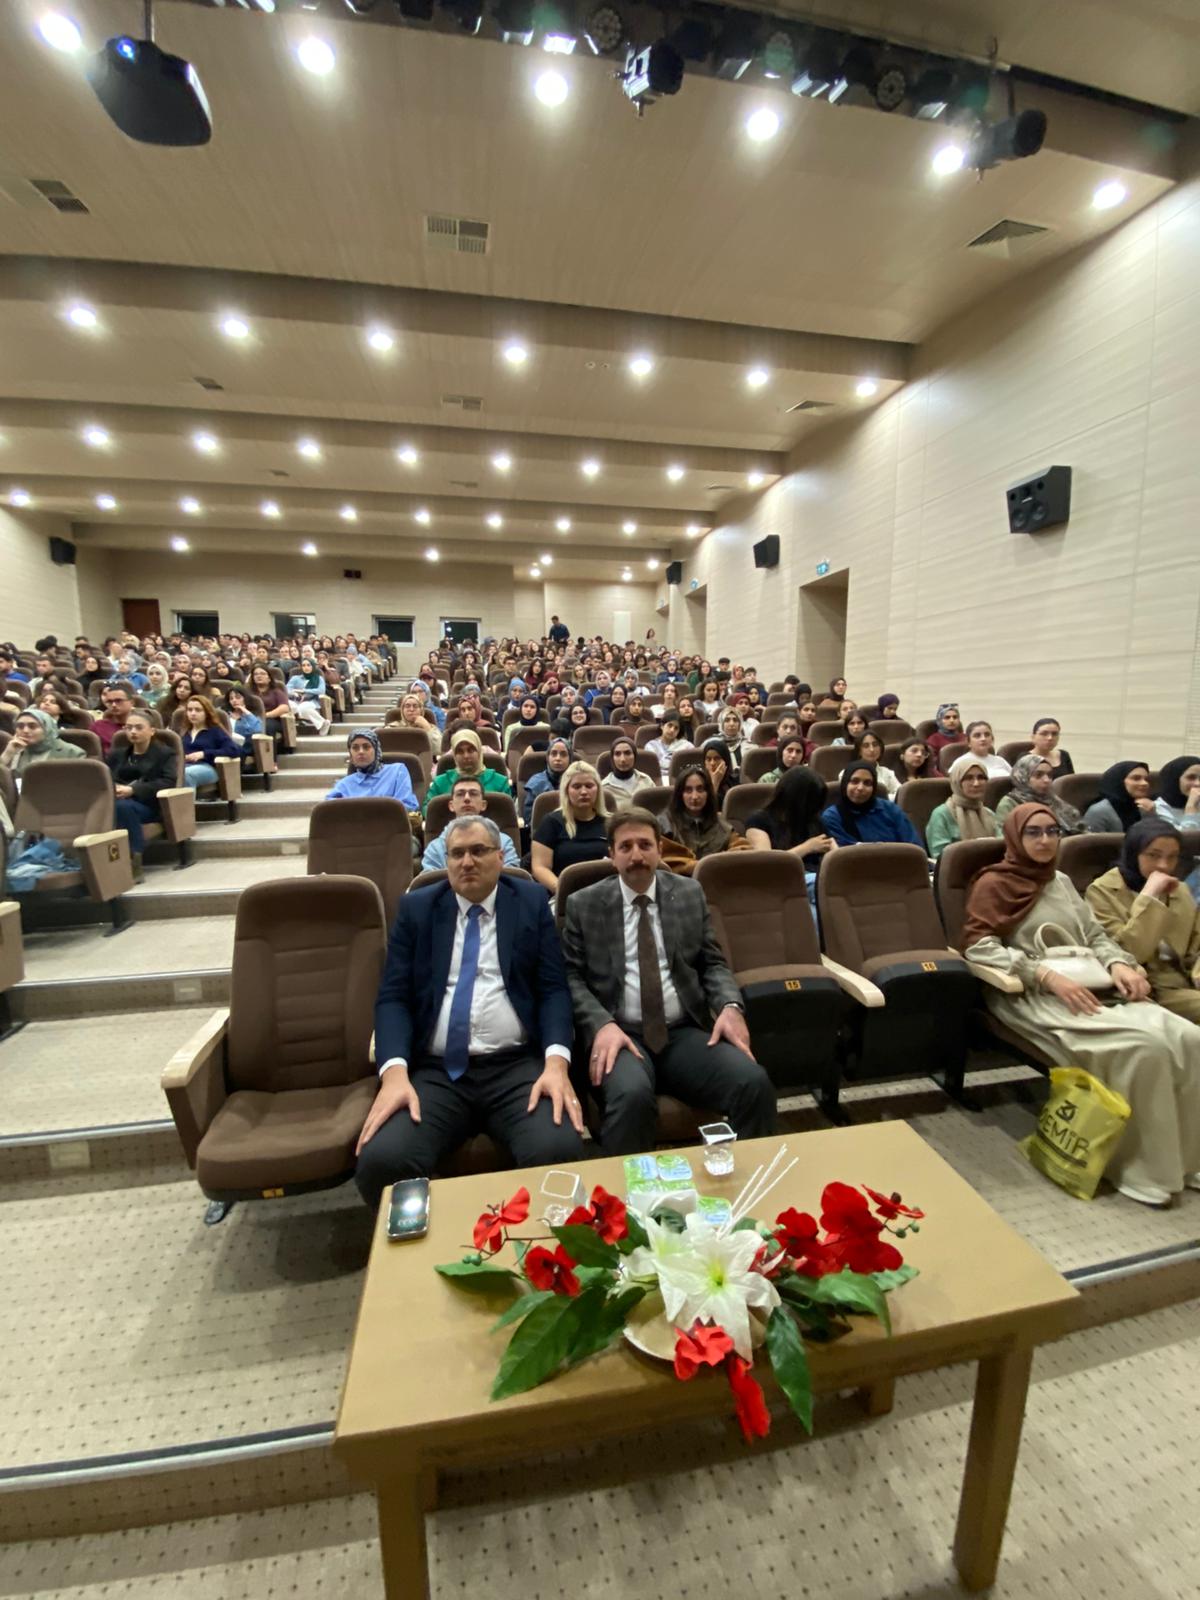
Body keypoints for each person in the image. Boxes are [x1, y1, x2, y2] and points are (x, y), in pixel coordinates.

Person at [963, 802, 1200, 1206]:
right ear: (1014, 837)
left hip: (1094, 984)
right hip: (1031, 995)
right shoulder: (993, 883)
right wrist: (1043, 974)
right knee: (1143, 1048)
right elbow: (978, 946)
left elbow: (1094, 936)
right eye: (1033, 832)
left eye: (1052, 831)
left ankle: (1188, 1158)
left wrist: (1119, 963)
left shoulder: (1060, 881)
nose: (1044, 840)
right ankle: (1140, 1167)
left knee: (1189, 1037)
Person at [354, 815, 584, 1209]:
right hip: (437, 1072)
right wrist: (394, 1074)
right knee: (383, 1160)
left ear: (500, 856)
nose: (467, 862)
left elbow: (553, 991)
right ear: (445, 861)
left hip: (516, 1068)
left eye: (478, 851)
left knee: (558, 1150)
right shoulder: (417, 909)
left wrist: (556, 1065)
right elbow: (394, 998)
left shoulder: (530, 902)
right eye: (457, 853)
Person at [560, 807, 776, 1155]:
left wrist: (729, 1006)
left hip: (681, 1032)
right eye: (625, 847)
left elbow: (712, 963)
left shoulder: (688, 893)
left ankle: (751, 1178)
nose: (636, 855)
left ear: (660, 849)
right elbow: (571, 977)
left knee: (753, 1083)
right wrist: (601, 1025)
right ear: (611, 855)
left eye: (645, 845)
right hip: (621, 1034)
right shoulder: (584, 904)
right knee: (631, 1096)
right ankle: (628, 1189)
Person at [1086, 820, 1200, 1024]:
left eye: (1172, 857)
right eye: (1153, 856)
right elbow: (1127, 953)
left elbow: (1197, 945)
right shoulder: (1101, 891)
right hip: (1146, 987)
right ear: (1133, 853)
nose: (1164, 865)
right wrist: (1149, 896)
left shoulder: (1179, 889)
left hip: (1186, 981)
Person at [744, 767, 836, 903]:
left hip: (816, 882)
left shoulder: (813, 820)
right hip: (784, 882)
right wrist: (807, 847)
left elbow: (836, 854)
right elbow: (766, 865)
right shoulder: (759, 821)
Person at [107, 708, 176, 864]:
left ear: (152, 731)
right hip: (116, 799)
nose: (133, 732)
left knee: (123, 807)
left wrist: (133, 790)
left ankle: (134, 857)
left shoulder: (164, 754)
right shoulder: (117, 755)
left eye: (139, 728)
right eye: (129, 728)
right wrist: (115, 788)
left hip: (149, 804)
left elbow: (168, 782)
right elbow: (106, 779)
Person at [532, 761, 609, 893]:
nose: (583, 792)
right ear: (566, 791)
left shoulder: (611, 823)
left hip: (607, 893)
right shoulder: (551, 822)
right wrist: (562, 890)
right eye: (576, 786)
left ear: (598, 789)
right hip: (563, 893)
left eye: (589, 786)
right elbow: (540, 867)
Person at [659, 766, 750, 871]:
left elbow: (743, 849)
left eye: (700, 789)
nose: (695, 796)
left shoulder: (720, 824)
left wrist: (717, 863)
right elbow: (665, 859)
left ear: (708, 793)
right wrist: (708, 865)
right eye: (688, 790)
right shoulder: (664, 824)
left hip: (717, 878)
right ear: (680, 794)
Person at [422, 776, 520, 870]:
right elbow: (431, 880)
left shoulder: (503, 842)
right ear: (451, 806)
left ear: (483, 805)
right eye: (460, 794)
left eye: (473, 794)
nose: (467, 798)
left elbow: (512, 877)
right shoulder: (435, 848)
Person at [820, 762, 924, 848]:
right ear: (845, 784)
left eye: (867, 783)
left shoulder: (891, 810)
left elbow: (914, 846)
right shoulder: (832, 817)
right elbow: (843, 855)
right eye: (854, 781)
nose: (860, 788)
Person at [925, 754, 1003, 860]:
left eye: (981, 778)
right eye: (969, 778)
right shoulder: (941, 814)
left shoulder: (989, 813)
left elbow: (1003, 847)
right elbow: (940, 856)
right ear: (957, 782)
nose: (976, 783)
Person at [424, 728, 513, 812]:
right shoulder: (440, 783)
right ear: (454, 755)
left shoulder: (500, 782)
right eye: (460, 752)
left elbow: (508, 813)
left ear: (479, 752)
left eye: (471, 750)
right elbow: (427, 810)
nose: (466, 756)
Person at [325, 729, 418, 807]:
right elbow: (330, 810)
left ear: (376, 750)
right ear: (350, 754)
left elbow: (407, 806)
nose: (361, 752)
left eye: (366, 747)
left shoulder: (397, 771)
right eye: (355, 748)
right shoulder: (344, 785)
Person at [997, 752, 1083, 833]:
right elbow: (1007, 837)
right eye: (1038, 775)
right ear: (1023, 777)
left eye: (1049, 775)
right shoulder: (1009, 804)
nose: (1046, 780)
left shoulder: (1054, 800)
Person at [1154, 756, 1200, 898]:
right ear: (1174, 780)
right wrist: (1191, 808)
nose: (1198, 784)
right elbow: (1187, 843)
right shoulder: (1156, 809)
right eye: (1191, 778)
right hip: (1175, 869)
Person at [0, 708, 85, 777]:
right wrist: (7, 755)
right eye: (20, 726)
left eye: (32, 726)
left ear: (47, 728)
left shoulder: (73, 753)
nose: (25, 731)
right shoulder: (15, 750)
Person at [179, 696, 240, 788]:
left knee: (186, 774)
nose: (193, 713)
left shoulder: (215, 731)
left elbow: (233, 750)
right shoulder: (184, 732)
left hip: (207, 767)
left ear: (206, 713)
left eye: (198, 710)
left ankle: (187, 798)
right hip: (184, 765)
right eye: (190, 710)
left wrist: (204, 754)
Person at [1084, 761, 1155, 834]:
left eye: (1146, 779)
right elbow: (1092, 841)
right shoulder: (1099, 811)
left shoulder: (1146, 807)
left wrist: (1152, 814)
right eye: (1136, 778)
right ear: (1119, 781)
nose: (1145, 783)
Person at [522, 736, 571, 826]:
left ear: (570, 759)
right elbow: (529, 820)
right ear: (548, 757)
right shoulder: (536, 783)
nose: (558, 758)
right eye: (554, 754)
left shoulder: (577, 782)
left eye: (563, 754)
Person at [602, 736, 656, 811]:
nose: (623, 759)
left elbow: (656, 809)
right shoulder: (604, 788)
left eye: (627, 753)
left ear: (635, 756)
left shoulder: (646, 780)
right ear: (612, 758)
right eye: (617, 754)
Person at [285, 660, 331, 735]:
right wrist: (294, 693)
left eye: (308, 665)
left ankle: (293, 726)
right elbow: (287, 689)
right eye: (303, 665)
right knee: (288, 705)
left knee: (303, 708)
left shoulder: (318, 678)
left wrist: (304, 691)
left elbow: (321, 690)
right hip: (295, 700)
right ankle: (323, 722)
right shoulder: (295, 678)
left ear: (313, 666)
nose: (306, 667)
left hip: (311, 701)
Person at [645, 714, 693, 782]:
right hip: (657, 781)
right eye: (670, 725)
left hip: (680, 780)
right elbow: (651, 770)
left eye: (676, 728)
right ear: (662, 726)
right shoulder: (651, 746)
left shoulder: (687, 746)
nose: (672, 730)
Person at [90, 684, 134, 756]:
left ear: (131, 702)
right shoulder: (98, 726)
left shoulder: (142, 726)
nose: (113, 705)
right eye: (110, 702)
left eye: (118, 701)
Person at [854, 731, 899, 797]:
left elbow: (900, 794)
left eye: (875, 745)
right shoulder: (847, 773)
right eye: (866, 746)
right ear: (859, 751)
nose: (872, 749)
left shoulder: (887, 773)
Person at [396, 691, 442, 756]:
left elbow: (439, 751)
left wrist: (427, 727)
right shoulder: (392, 728)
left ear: (421, 710)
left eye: (415, 706)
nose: (411, 709)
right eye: (407, 706)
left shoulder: (431, 728)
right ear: (402, 710)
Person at [700, 739, 738, 808]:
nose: (712, 763)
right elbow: (706, 810)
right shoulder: (699, 784)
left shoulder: (735, 783)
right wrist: (715, 783)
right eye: (708, 759)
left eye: (717, 758)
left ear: (726, 761)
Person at [718, 706, 750, 774]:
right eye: (727, 720)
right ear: (721, 724)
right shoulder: (712, 743)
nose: (732, 724)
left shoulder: (749, 745)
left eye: (735, 720)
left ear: (740, 724)